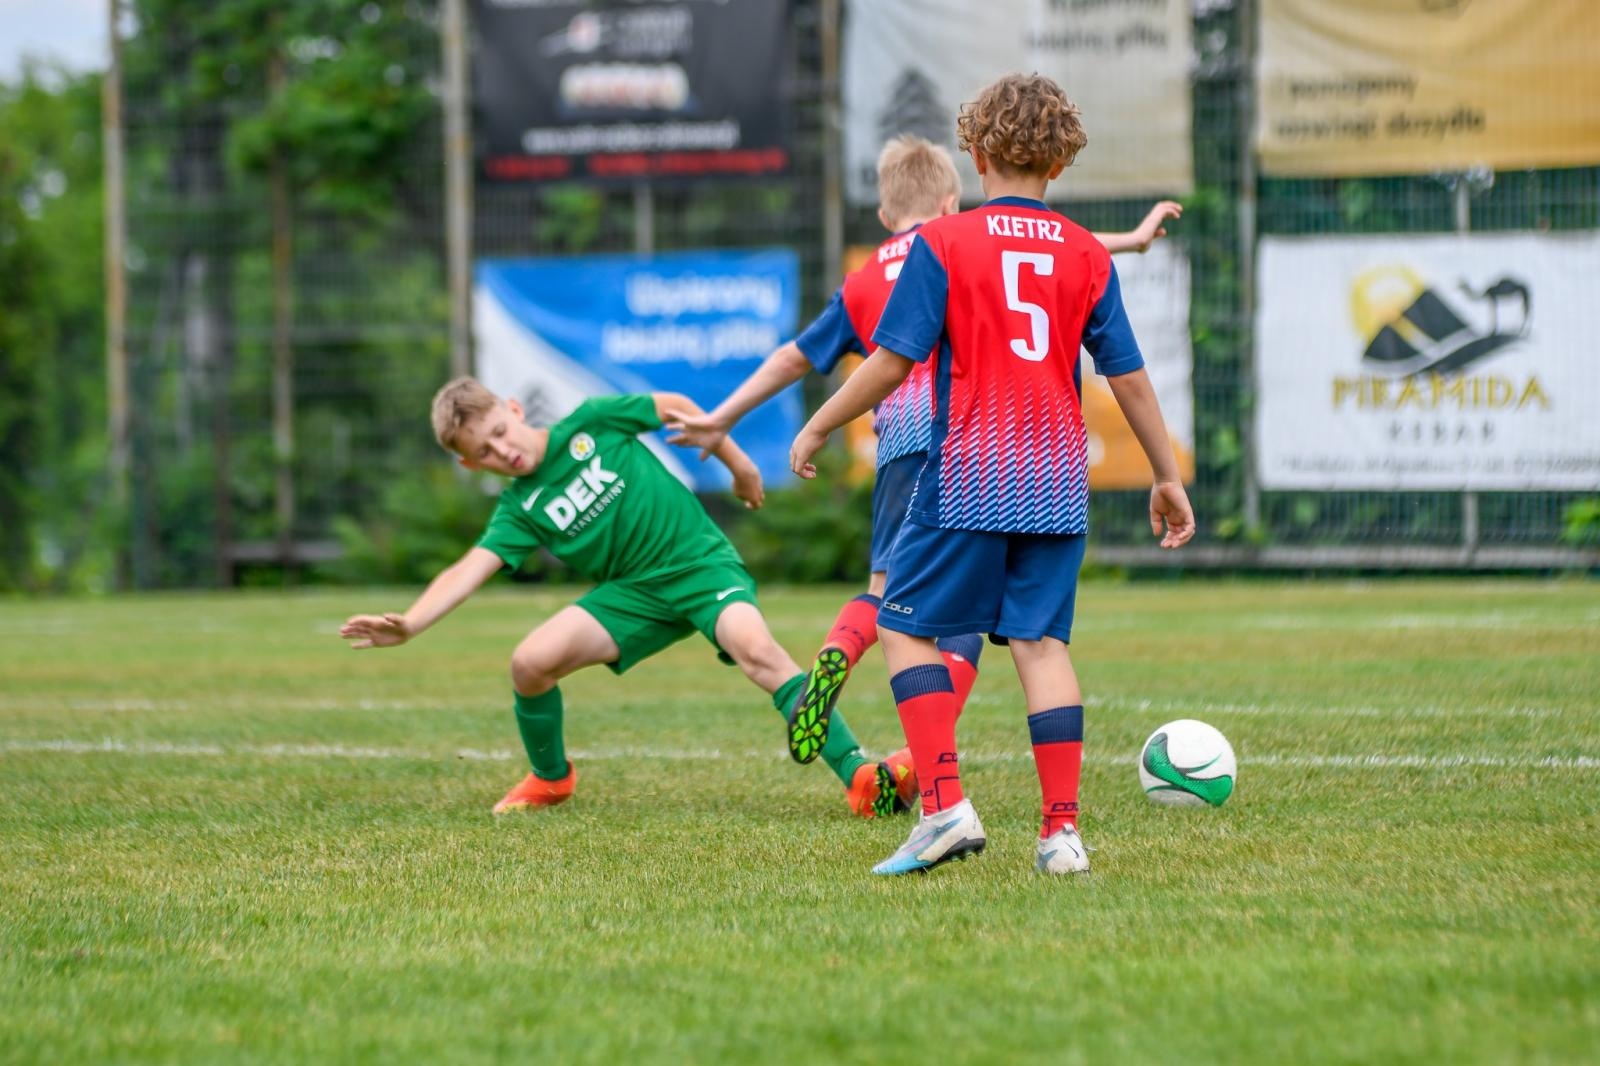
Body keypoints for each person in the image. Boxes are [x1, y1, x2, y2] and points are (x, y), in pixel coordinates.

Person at [669, 134, 1180, 815]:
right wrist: (1131, 242)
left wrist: (723, 418)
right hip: (984, 443)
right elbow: (1043, 248)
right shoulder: (980, 241)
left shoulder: (869, 277)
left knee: (890, 594)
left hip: (903, 442)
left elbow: (797, 357)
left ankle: (844, 655)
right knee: (971, 616)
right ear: (949, 199)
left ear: (886, 215)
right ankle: (936, 770)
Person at [787, 74, 1196, 876]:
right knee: (1040, 645)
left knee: (901, 622)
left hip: (968, 474)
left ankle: (943, 809)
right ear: (1061, 162)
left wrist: (820, 422)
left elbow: (891, 362)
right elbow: (1129, 378)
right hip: (1056, 482)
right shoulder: (1084, 252)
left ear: (975, 155)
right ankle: (1062, 836)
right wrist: (1166, 474)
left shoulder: (944, 243)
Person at [339, 378, 912, 818]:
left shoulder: (592, 422)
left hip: (698, 564)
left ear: (513, 410)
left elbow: (673, 405)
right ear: (469, 464)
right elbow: (469, 567)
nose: (501, 450)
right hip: (632, 595)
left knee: (758, 652)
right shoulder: (520, 508)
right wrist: (410, 623)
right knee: (529, 663)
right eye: (484, 452)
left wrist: (739, 467)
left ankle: (859, 777)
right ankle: (550, 778)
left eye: (499, 431)